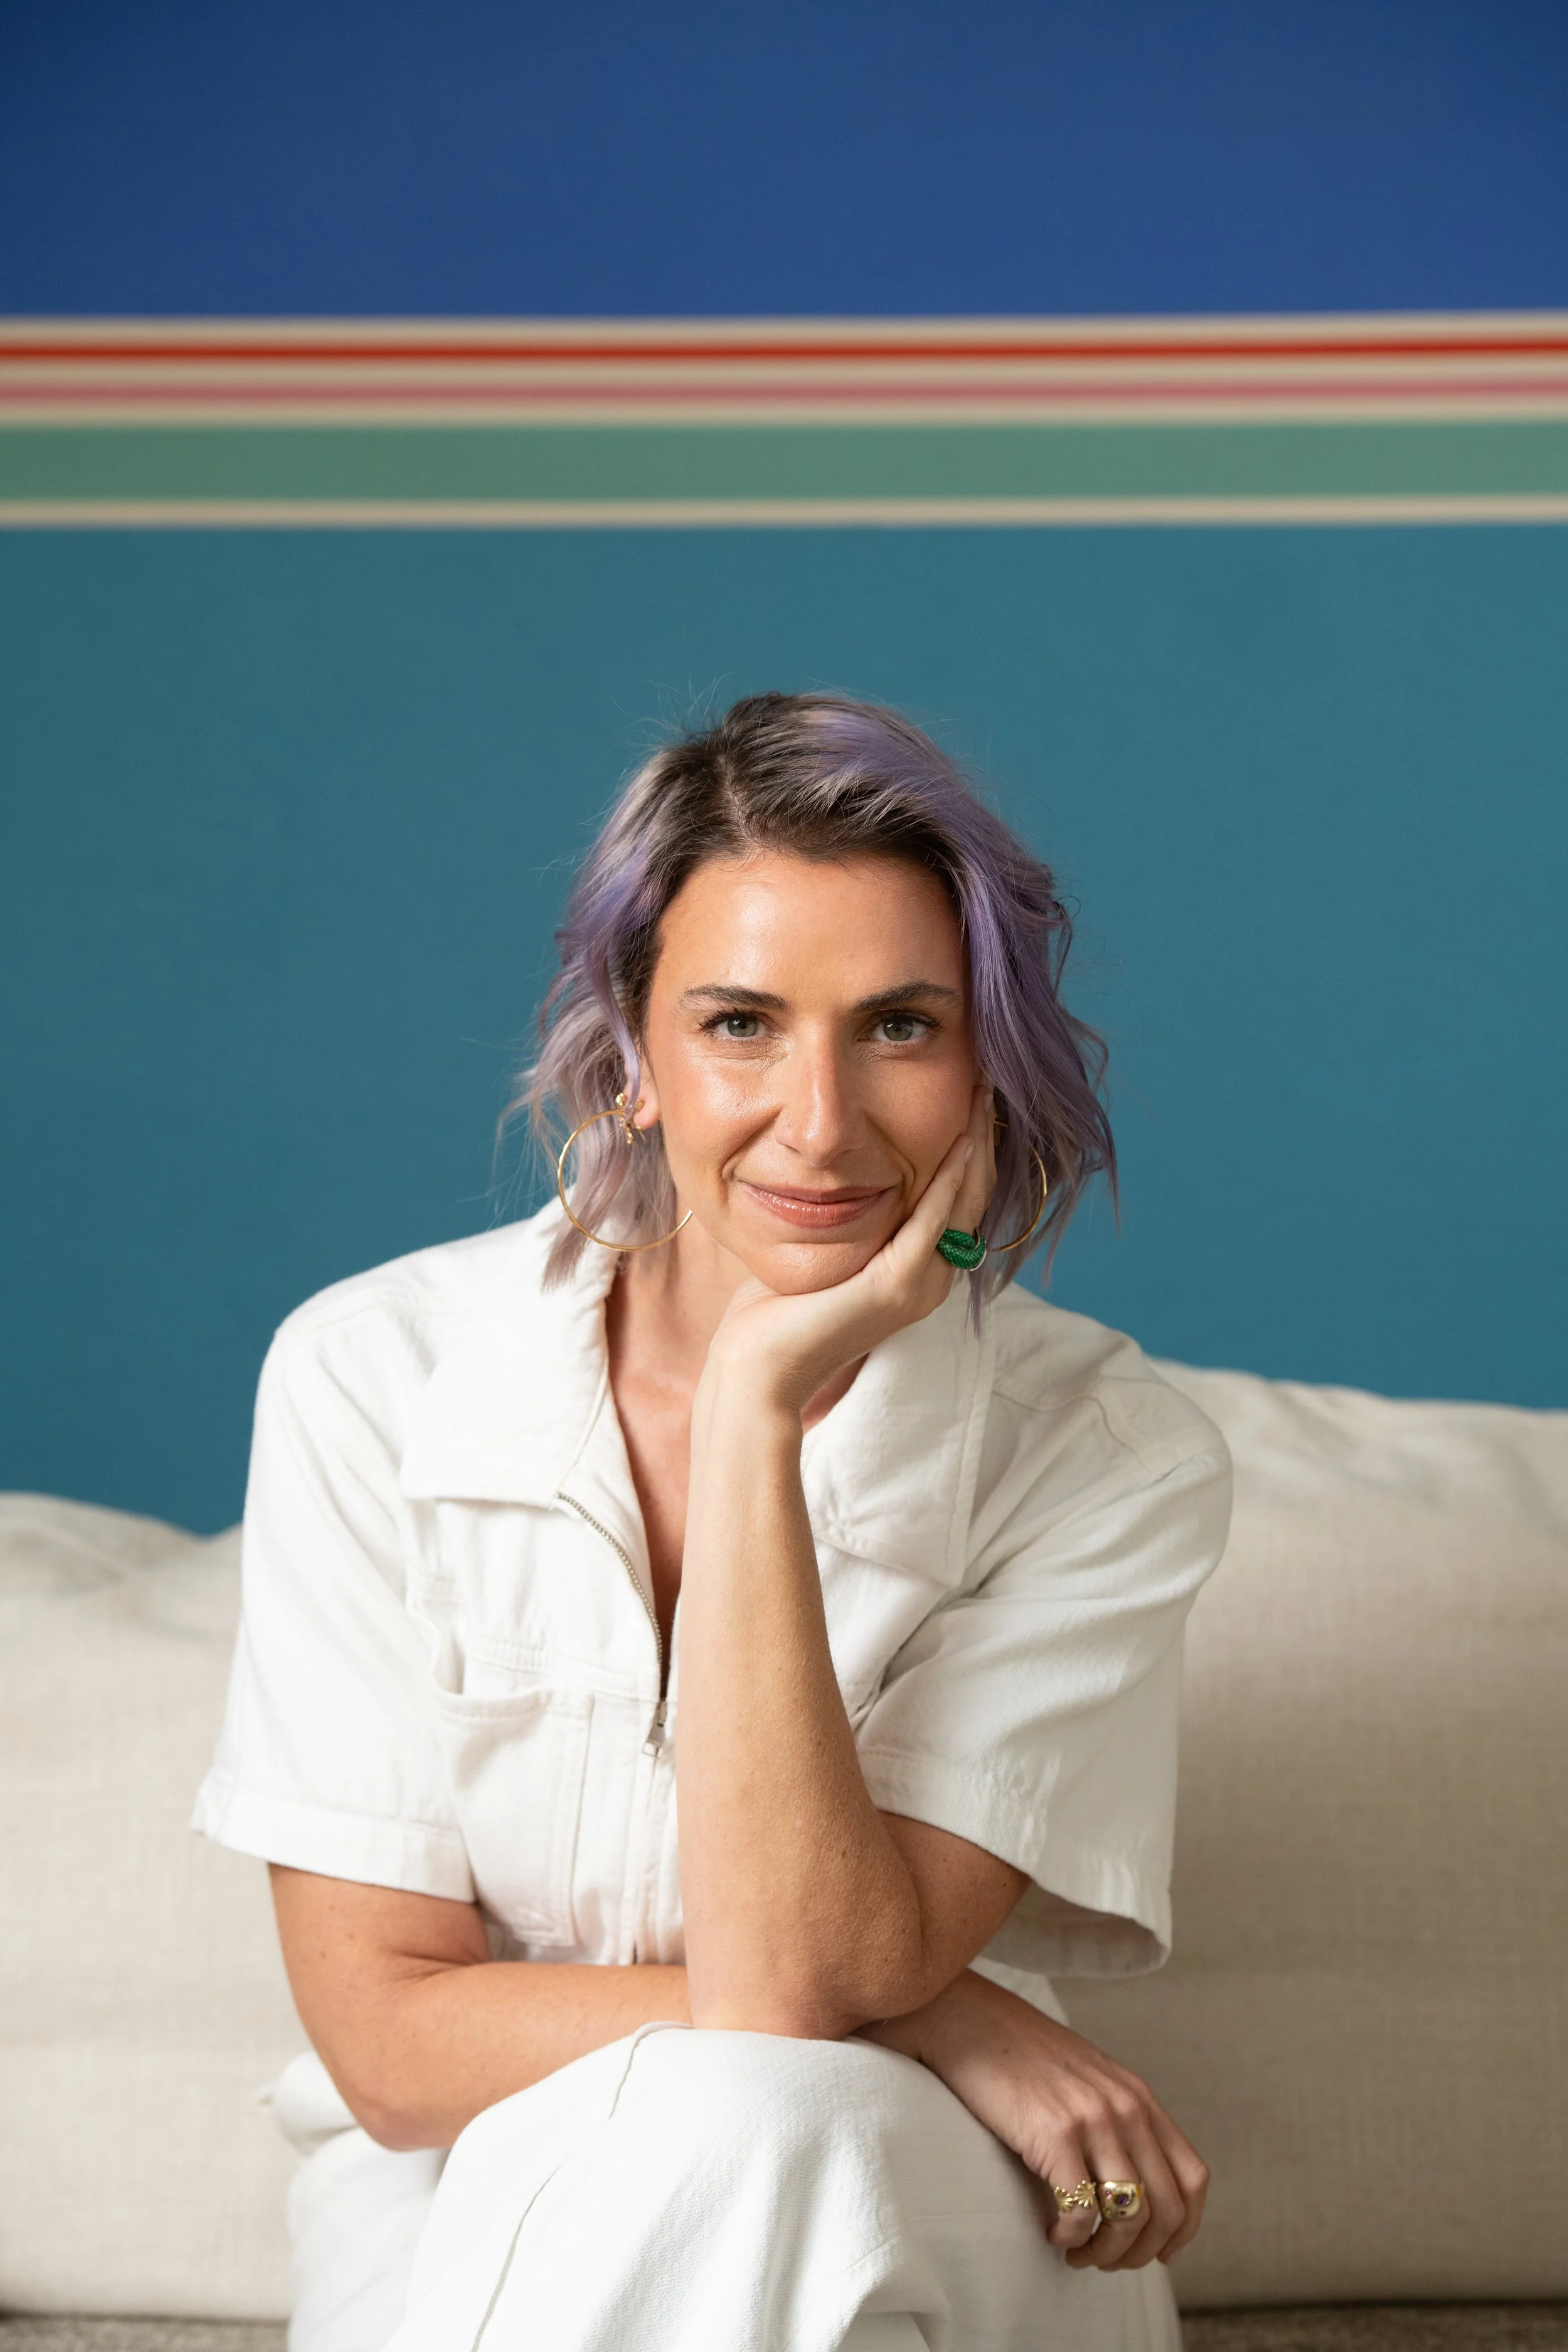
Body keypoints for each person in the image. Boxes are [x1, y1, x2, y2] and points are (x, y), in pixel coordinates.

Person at [195, 692, 1231, 2352]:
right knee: (730, 2112)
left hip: (910, 2191)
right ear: (632, 1058)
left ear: (989, 1063)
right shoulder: (371, 1373)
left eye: (900, 1027)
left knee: (753, 2124)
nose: (816, 1124)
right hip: (454, 2187)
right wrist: (937, 2016)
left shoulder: (1104, 1455)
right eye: (740, 1022)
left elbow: (798, 1981)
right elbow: (389, 2048)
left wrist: (752, 1410)